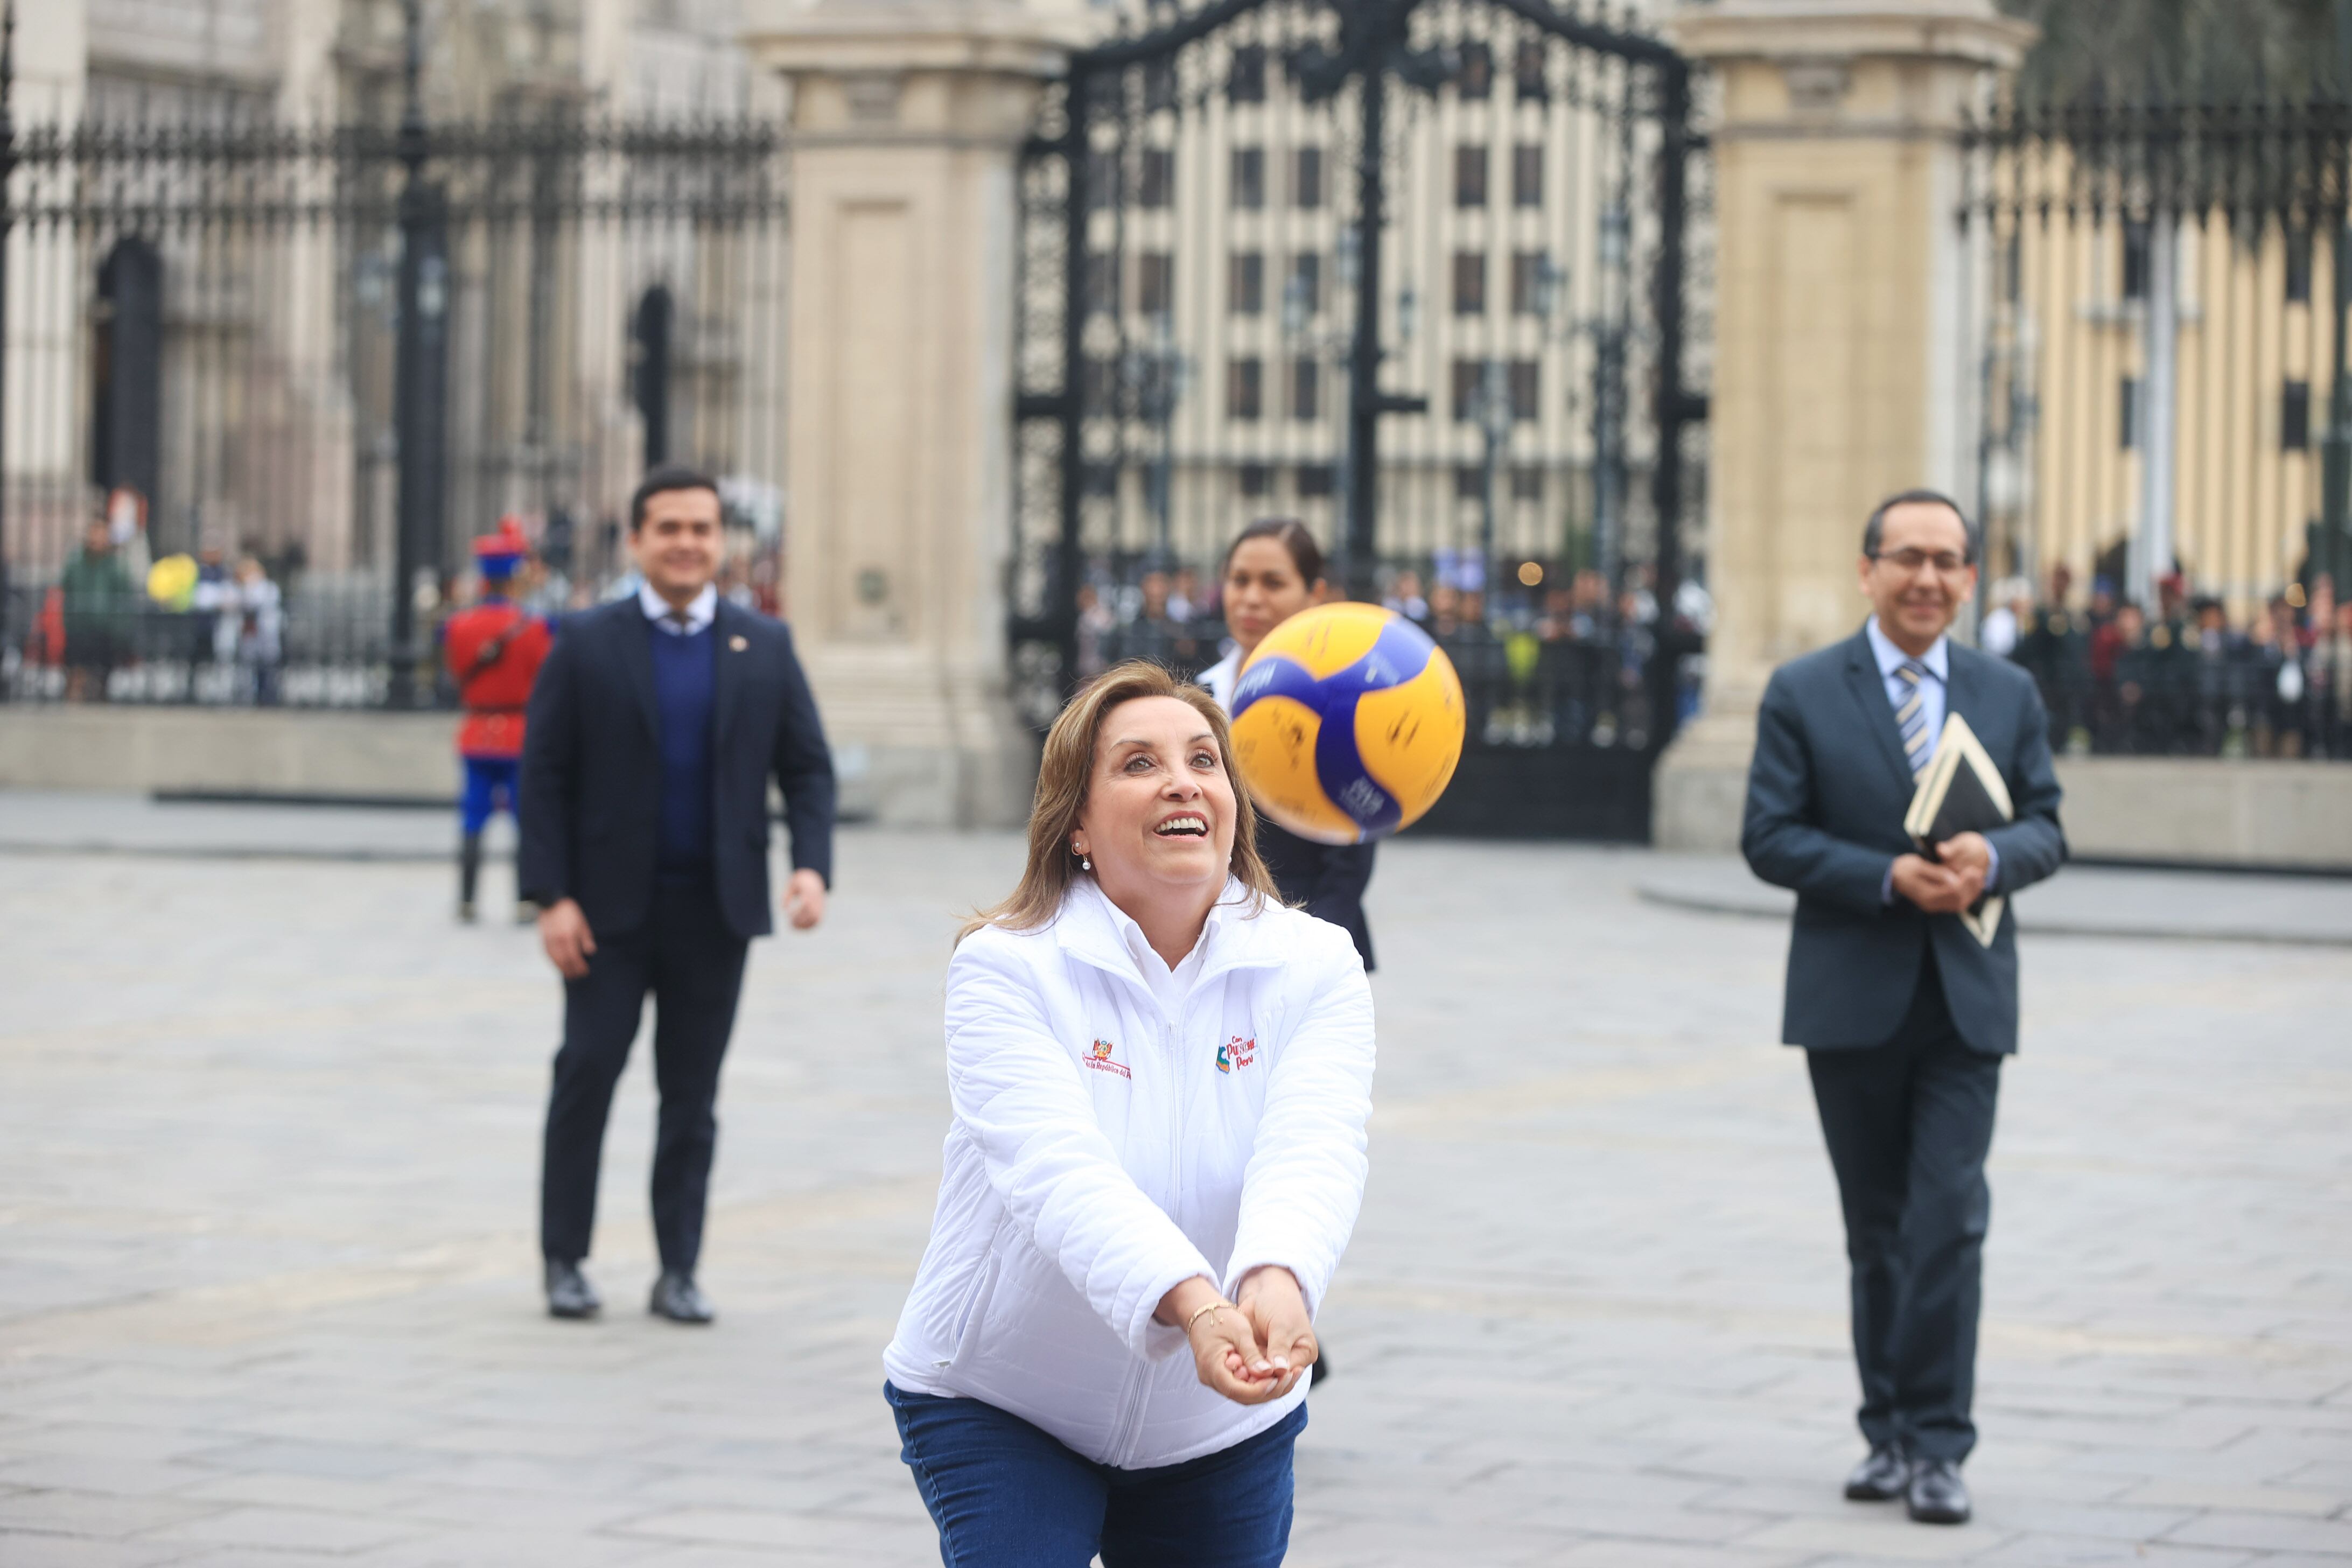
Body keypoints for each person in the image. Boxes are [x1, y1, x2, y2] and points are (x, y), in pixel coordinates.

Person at [882, 659, 1374, 1568]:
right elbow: (1055, 1170)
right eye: (1138, 763)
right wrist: (1194, 1305)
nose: (1182, 780)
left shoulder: (1317, 964)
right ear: (1075, 823)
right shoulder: (1004, 968)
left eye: (1202, 759)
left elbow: (1313, 1141)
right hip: (1004, 1394)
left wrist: (1276, 1276)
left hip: (1218, 1423)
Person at [1742, 490, 2067, 1527]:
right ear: (1867, 568)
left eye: (1948, 560)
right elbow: (1769, 836)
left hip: (1967, 1001)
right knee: (1875, 1229)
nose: (1927, 577)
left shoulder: (2006, 690)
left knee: (1948, 1220)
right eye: (1907, 557)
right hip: (1852, 998)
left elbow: (2049, 826)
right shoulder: (1800, 690)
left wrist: (1994, 856)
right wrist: (1887, 873)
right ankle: (1883, 1428)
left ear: (1970, 577)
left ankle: (1937, 1444)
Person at [518, 464, 836, 1325]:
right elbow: (542, 775)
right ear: (637, 541)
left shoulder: (762, 645)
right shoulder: (585, 641)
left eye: (702, 529)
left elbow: (806, 767)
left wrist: (811, 866)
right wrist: (550, 895)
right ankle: (565, 1261)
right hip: (604, 916)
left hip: (716, 913)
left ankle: (679, 1271)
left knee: (691, 1098)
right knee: (586, 1075)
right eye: (670, 528)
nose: (688, 544)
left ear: (721, 541)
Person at [1198, 519, 1378, 971]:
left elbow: (1350, 848)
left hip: (1306, 927)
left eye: (1273, 582)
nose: (1252, 598)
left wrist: (1318, 949)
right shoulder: (1194, 696)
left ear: (1314, 594)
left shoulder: (1335, 702)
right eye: (1239, 580)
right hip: (1201, 938)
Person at [443, 518, 555, 922]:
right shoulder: (536, 627)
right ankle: (526, 900)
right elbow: (547, 678)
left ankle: (467, 899)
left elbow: (455, 671)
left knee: (473, 817)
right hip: (520, 734)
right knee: (526, 821)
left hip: (476, 732)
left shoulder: (457, 626)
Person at [60, 516, 136, 702]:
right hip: (80, 624)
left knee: (104, 662)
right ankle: (75, 692)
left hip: (106, 626)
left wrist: (120, 625)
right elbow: (65, 589)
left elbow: (124, 595)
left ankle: (100, 693)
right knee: (76, 660)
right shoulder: (76, 563)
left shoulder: (116, 565)